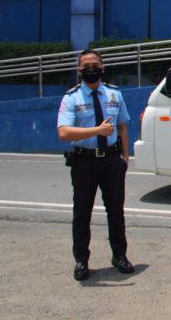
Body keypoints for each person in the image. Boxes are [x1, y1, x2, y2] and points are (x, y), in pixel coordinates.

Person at [57, 49, 133, 281]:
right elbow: (64, 133)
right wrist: (96, 131)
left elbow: (122, 126)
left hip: (111, 160)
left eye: (94, 64)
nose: (90, 68)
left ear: (102, 68)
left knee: (116, 212)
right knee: (82, 213)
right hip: (84, 161)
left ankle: (119, 255)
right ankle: (82, 261)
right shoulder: (71, 97)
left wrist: (125, 157)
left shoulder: (113, 94)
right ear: (79, 70)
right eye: (85, 65)